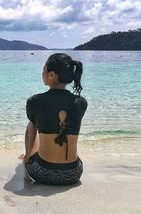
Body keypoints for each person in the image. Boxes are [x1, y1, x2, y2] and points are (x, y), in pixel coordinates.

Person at [20, 53, 88, 185]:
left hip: (43, 172)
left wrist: (29, 157)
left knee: (31, 124)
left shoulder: (35, 101)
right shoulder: (81, 103)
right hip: (73, 173)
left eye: (43, 69)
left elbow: (34, 126)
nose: (42, 73)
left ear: (52, 75)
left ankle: (27, 157)